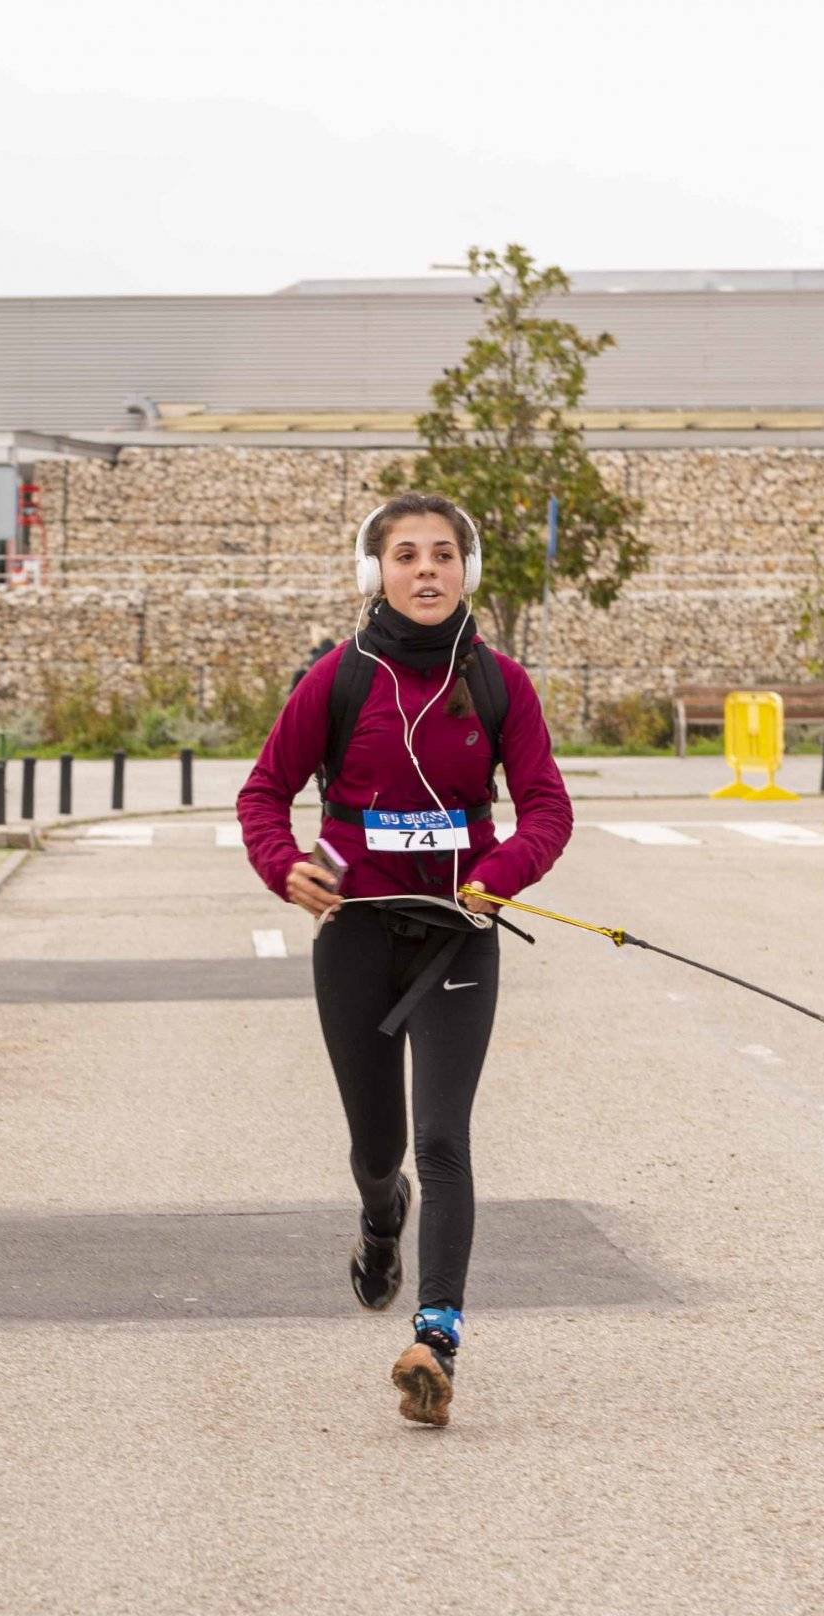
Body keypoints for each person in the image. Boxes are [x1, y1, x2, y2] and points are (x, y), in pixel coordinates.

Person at [236, 493, 574, 1429]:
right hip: (354, 930)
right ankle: (381, 1219)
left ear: (466, 571)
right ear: (374, 572)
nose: (425, 570)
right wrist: (286, 867)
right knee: (379, 1151)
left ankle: (436, 1337)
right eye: (405, 555)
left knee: (444, 1137)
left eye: (442, 555)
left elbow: (547, 806)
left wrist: (500, 874)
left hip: (459, 932)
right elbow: (263, 792)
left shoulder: (501, 682)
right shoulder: (337, 680)